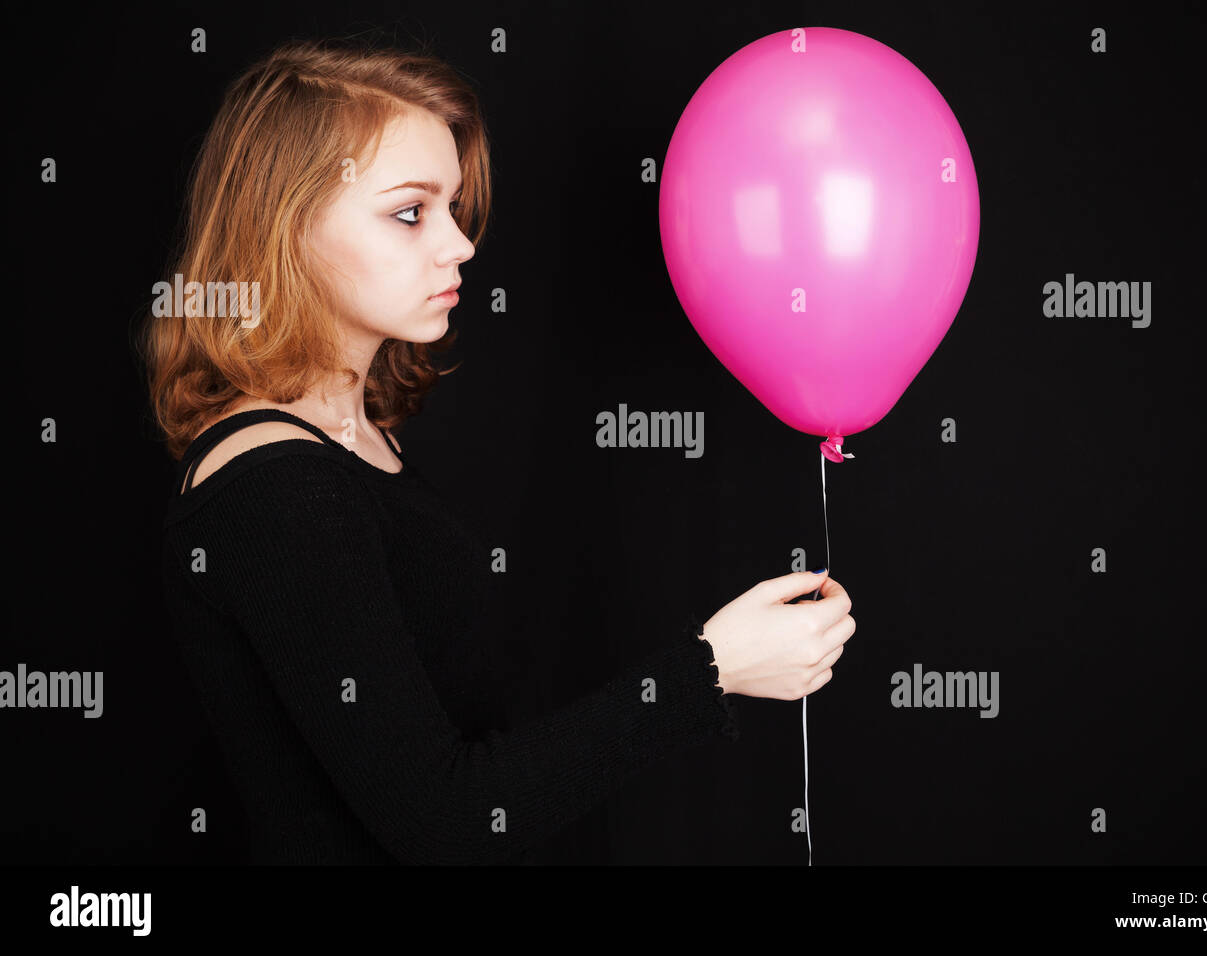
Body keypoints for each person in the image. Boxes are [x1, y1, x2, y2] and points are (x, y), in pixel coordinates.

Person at [138, 37, 855, 865]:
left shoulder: (355, 442)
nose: (459, 244)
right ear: (288, 229)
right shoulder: (278, 487)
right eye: (410, 213)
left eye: (451, 208)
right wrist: (709, 669)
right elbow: (445, 817)